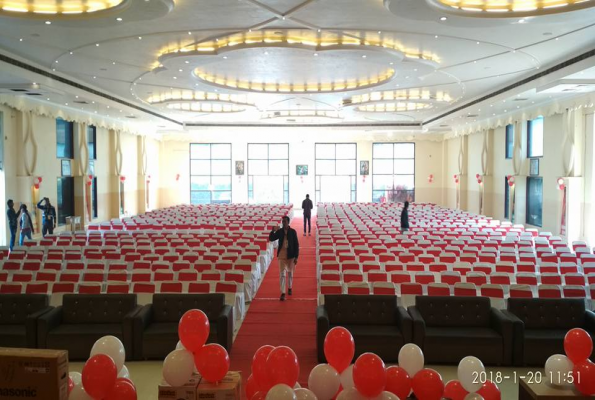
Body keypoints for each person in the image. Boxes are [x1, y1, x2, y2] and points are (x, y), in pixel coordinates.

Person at [269, 216, 299, 301]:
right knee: (282, 274)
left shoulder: (293, 232)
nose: (283, 223)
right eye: (283, 221)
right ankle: (283, 292)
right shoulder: (280, 231)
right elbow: (271, 238)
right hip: (282, 255)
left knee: (290, 273)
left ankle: (289, 287)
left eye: (285, 221)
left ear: (288, 222)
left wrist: (296, 257)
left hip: (291, 255)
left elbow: (296, 244)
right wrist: (273, 230)